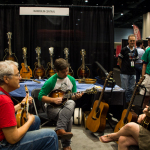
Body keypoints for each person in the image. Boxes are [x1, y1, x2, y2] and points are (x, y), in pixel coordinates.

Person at [0, 60, 58, 150]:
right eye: (17, 75)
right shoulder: (4, 100)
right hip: (3, 144)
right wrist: (29, 120)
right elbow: (12, 139)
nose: (20, 77)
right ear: (6, 79)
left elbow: (4, 113)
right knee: (51, 136)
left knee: (37, 119)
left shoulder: (2, 95)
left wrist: (21, 104)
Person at [38, 58, 83, 150]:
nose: (66, 73)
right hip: (52, 108)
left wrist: (77, 96)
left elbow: (72, 97)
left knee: (71, 102)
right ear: (56, 71)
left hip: (66, 107)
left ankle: (60, 130)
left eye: (67, 70)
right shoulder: (51, 81)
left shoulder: (71, 80)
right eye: (63, 72)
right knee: (69, 119)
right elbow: (40, 96)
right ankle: (66, 145)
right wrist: (52, 100)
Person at [118, 34, 138, 105]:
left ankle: (128, 102)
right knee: (125, 89)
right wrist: (122, 68)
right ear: (128, 41)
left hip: (132, 72)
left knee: (131, 89)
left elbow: (135, 60)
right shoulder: (124, 50)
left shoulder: (135, 51)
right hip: (124, 72)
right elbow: (119, 60)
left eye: (133, 41)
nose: (132, 42)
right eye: (131, 41)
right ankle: (123, 102)